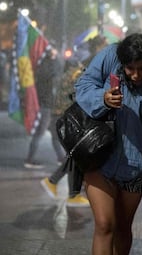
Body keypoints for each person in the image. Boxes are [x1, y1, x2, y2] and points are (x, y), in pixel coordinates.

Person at [74, 33, 142, 255]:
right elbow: (83, 84)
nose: (136, 75)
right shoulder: (111, 55)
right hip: (100, 157)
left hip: (137, 165)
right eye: (130, 68)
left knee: (122, 228)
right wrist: (102, 98)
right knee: (104, 225)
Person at [41, 35, 108, 207]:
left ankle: (70, 192)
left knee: (76, 155)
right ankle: (55, 183)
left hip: (67, 116)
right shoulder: (83, 71)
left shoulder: (77, 70)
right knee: (77, 155)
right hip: (72, 118)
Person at [24, 45, 65, 169]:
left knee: (54, 133)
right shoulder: (46, 68)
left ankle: (61, 158)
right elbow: (55, 74)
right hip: (45, 105)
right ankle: (29, 159)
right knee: (40, 133)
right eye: (53, 50)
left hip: (49, 105)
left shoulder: (44, 66)